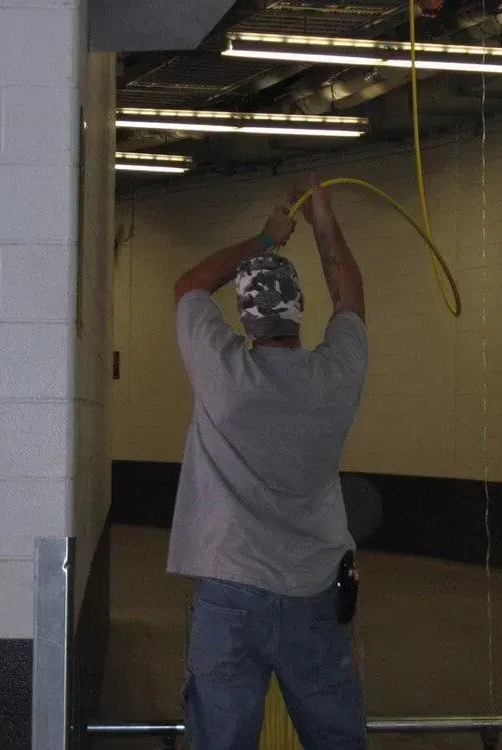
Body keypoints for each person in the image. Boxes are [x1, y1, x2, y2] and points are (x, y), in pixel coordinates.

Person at [168, 174, 368, 750]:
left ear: (245, 317)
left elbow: (189, 286)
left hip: (230, 598)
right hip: (315, 596)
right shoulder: (335, 378)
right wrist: (324, 223)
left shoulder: (224, 375)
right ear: (300, 310)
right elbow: (350, 299)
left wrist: (263, 240)